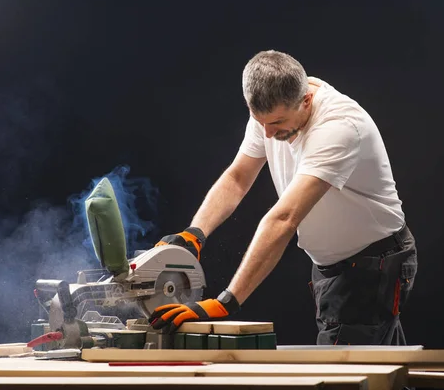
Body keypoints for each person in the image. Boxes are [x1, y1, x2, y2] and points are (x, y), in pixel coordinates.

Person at [149, 50, 418, 345]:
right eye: (258, 120)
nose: (266, 132)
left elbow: (284, 218)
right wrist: (195, 234)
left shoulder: (339, 127)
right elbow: (238, 177)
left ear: (306, 101)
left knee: (343, 376)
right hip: (336, 266)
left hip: (372, 265)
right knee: (382, 371)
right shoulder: (271, 112)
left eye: (276, 123)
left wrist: (226, 301)